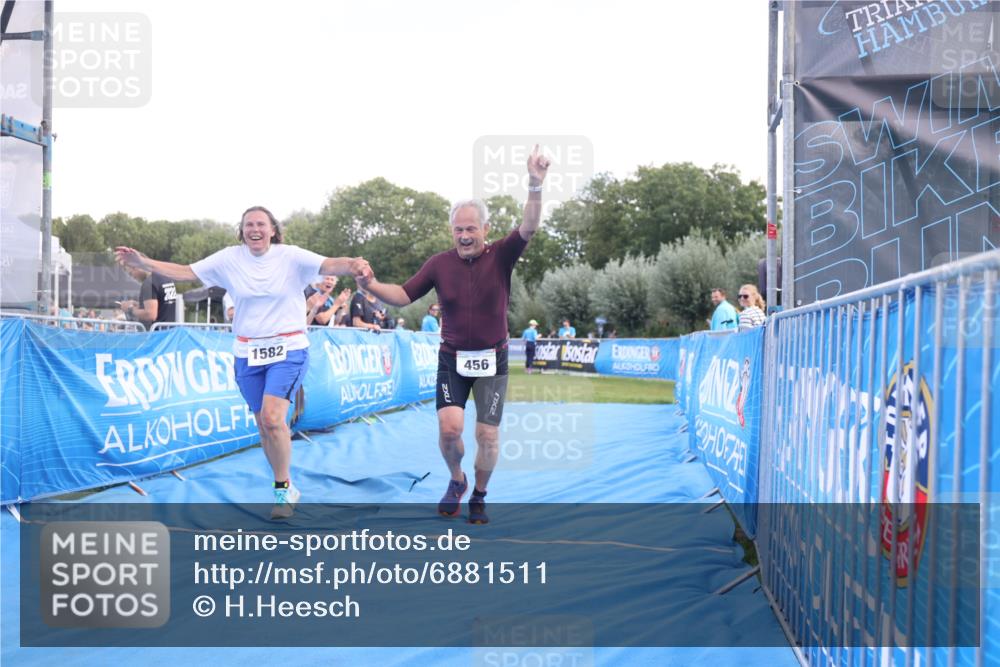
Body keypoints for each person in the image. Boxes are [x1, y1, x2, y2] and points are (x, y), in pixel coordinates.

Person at [115, 205, 368, 519]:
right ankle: (284, 484)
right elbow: (185, 272)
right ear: (242, 231)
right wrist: (143, 262)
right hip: (247, 351)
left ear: (273, 230)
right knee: (263, 423)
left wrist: (355, 264)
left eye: (261, 224)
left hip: (288, 348)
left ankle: (283, 487)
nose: (255, 230)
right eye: (249, 225)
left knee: (275, 419)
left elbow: (332, 263)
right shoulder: (228, 259)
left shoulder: (291, 256)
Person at [358, 145, 550, 524]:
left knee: (487, 437)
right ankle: (457, 480)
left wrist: (534, 184)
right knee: (450, 431)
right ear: (452, 230)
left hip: (492, 359)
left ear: (485, 229)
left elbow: (529, 225)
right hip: (452, 359)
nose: (464, 236)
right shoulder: (438, 264)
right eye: (458, 229)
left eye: (471, 228)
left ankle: (480, 493)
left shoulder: (501, 254)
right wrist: (372, 284)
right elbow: (402, 295)